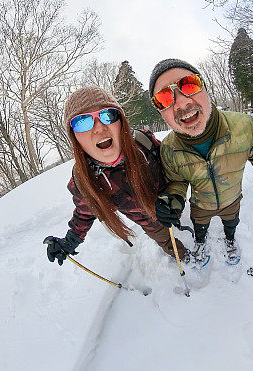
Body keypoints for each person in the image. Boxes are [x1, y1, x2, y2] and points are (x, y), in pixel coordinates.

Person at [149, 59, 253, 264]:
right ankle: (200, 242)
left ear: (205, 88)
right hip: (201, 204)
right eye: (164, 97)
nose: (181, 102)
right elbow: (177, 181)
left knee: (231, 223)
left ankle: (230, 240)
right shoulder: (169, 149)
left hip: (232, 199)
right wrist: (173, 200)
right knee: (200, 227)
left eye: (189, 84)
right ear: (161, 112)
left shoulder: (246, 127)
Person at [44, 86, 189, 266]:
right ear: (74, 136)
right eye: (82, 122)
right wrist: (69, 242)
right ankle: (185, 259)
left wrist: (173, 198)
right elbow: (85, 213)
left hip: (170, 205)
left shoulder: (144, 144)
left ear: (121, 121)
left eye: (108, 116)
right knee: (167, 241)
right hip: (148, 222)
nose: (99, 128)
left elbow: (175, 168)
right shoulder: (84, 181)